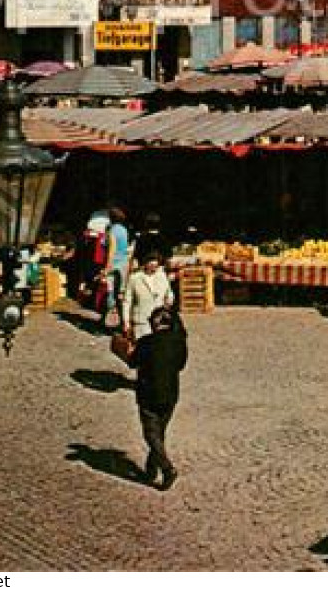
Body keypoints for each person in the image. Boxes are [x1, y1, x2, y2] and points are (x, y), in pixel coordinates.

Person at [128, 306, 188, 490]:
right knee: (159, 431)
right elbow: (181, 365)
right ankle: (151, 468)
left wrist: (129, 348)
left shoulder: (146, 342)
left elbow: (132, 362)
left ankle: (167, 469)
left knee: (151, 434)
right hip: (170, 394)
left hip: (149, 394)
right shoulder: (179, 342)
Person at [122, 253, 174, 338]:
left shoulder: (162, 276)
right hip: (141, 322)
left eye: (156, 263)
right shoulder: (134, 278)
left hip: (159, 321)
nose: (153, 265)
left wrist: (169, 300)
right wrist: (126, 322)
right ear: (145, 263)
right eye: (151, 262)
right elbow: (127, 301)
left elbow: (169, 293)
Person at [103, 208, 131, 328]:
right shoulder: (124, 230)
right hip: (124, 263)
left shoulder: (112, 231)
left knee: (109, 293)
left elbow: (111, 250)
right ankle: (123, 321)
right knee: (121, 293)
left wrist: (107, 267)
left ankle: (110, 320)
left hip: (114, 264)